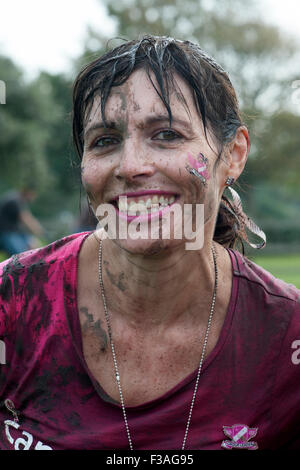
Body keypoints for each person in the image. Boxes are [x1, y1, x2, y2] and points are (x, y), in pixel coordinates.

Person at [0, 35, 299, 451]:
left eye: (167, 135)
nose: (132, 166)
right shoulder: (13, 304)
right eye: (104, 140)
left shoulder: (287, 338)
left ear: (233, 153)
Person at [0, 187, 44, 256]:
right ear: (28, 193)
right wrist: (40, 231)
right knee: (20, 256)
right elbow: (26, 219)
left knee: (34, 245)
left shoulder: (20, 200)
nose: (34, 198)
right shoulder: (14, 201)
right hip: (6, 232)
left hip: (15, 231)